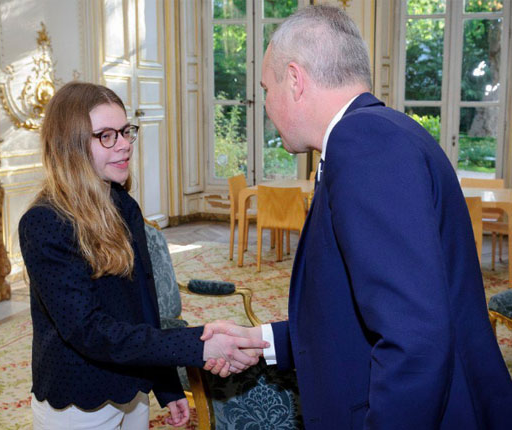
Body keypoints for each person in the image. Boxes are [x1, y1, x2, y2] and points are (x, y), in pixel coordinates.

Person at [203, 5, 512, 429]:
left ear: (294, 79)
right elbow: (358, 313)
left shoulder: (363, 142)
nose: (267, 106)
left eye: (267, 89)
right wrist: (262, 341)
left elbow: (415, 338)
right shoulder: (386, 131)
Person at [19, 81, 267, 429]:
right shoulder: (44, 222)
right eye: (106, 135)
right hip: (79, 401)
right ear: (70, 146)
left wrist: (166, 385)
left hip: (132, 390)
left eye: (125, 131)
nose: (124, 145)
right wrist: (198, 347)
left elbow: (143, 306)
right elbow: (88, 331)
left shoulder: (123, 204)